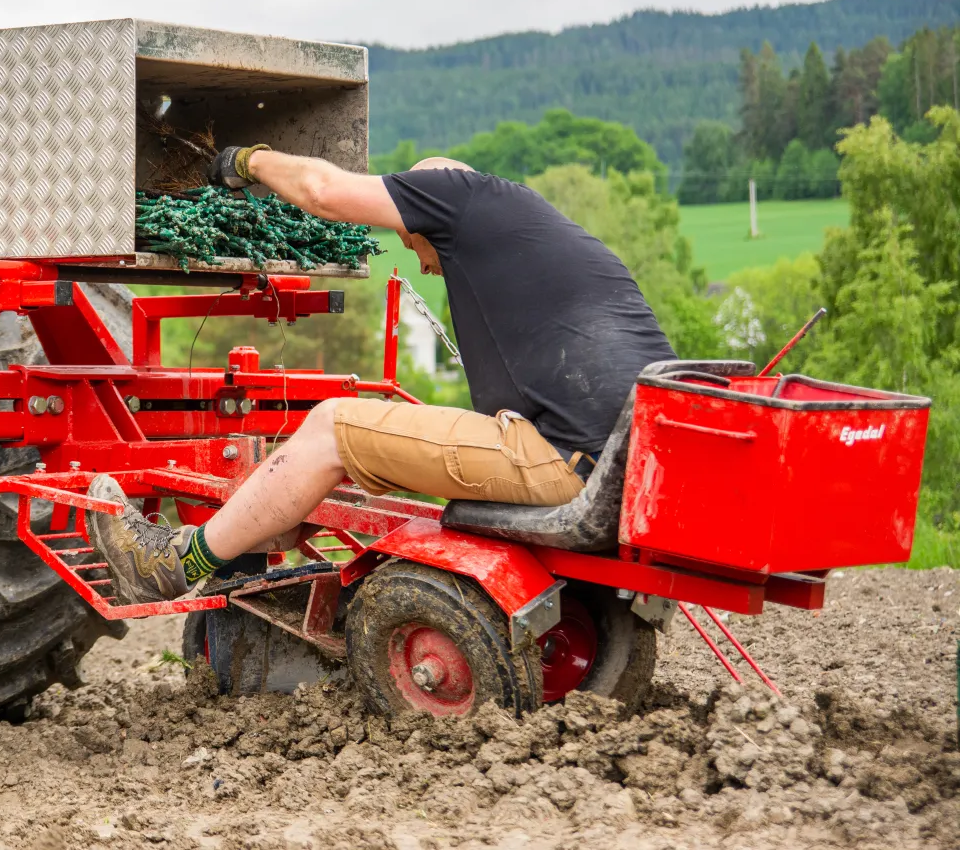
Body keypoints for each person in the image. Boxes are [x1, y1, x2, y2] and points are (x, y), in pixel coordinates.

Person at [86, 147, 676, 603]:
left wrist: (245, 160)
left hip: (568, 463)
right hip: (627, 467)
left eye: (406, 236)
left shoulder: (461, 197)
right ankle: (261, 520)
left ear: (426, 206)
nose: (419, 260)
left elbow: (322, 191)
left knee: (331, 426)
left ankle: (171, 564)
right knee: (368, 436)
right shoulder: (540, 233)